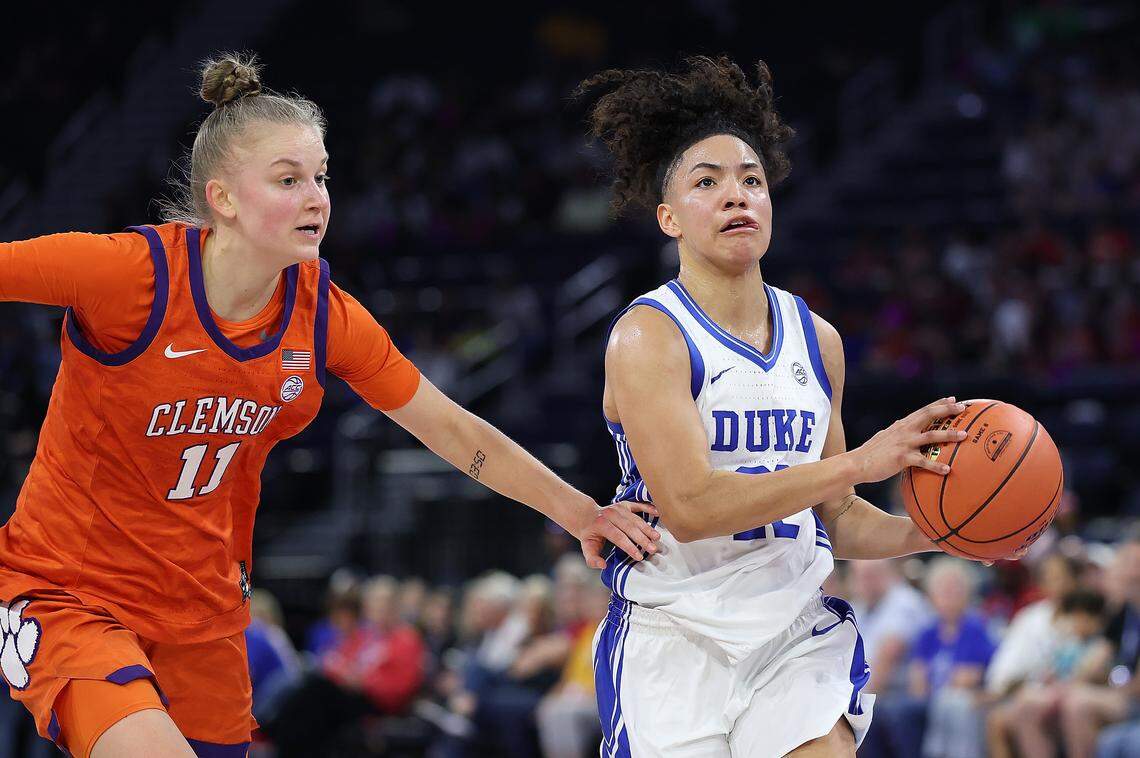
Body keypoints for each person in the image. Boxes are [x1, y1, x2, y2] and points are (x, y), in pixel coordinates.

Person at [0, 53, 659, 757]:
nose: (316, 196)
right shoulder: (130, 276)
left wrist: (581, 512)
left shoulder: (324, 318)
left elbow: (448, 426)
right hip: (71, 592)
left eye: (321, 177)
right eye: (289, 180)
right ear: (222, 199)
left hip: (204, 614)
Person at [573, 55, 987, 756]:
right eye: (708, 183)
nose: (737, 195)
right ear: (669, 217)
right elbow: (693, 507)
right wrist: (857, 462)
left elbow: (843, 520)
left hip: (792, 633)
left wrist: (956, 530)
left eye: (752, 180)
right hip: (676, 636)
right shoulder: (648, 336)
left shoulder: (816, 339)